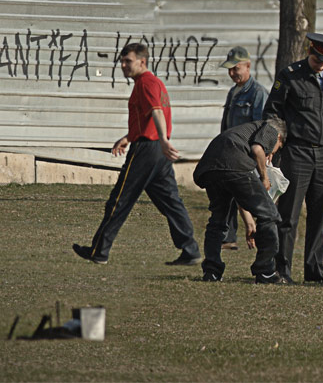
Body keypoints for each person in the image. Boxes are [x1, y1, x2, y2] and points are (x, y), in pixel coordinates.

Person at [73, 43, 201, 265]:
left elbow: (157, 112)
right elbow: (147, 119)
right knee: (171, 202)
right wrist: (128, 137)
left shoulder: (146, 83)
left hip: (148, 150)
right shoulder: (152, 83)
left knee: (120, 199)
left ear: (142, 61)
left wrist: (162, 140)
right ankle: (190, 250)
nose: (123, 65)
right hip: (155, 151)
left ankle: (99, 252)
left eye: (128, 61)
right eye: (122, 61)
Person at [265, 32, 323, 284]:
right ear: (310, 51)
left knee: (318, 216)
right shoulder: (290, 75)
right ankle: (282, 270)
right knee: (289, 215)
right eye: (318, 60)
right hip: (298, 152)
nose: (322, 65)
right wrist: (279, 144)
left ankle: (315, 271)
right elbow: (272, 111)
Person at [193, 117, 289, 283]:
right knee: (271, 215)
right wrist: (264, 177)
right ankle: (265, 270)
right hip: (234, 165)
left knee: (218, 219)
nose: (271, 156)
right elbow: (258, 149)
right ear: (279, 138)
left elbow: (238, 189)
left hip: (210, 168)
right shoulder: (271, 129)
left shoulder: (242, 131)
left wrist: (249, 222)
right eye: (275, 151)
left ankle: (212, 271)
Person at [218, 46, 269, 249]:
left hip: (246, 153)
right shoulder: (234, 92)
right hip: (228, 151)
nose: (232, 73)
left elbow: (258, 127)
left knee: (250, 196)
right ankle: (229, 238)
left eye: (236, 68)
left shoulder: (258, 93)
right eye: (229, 69)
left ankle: (260, 234)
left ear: (248, 66)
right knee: (228, 194)